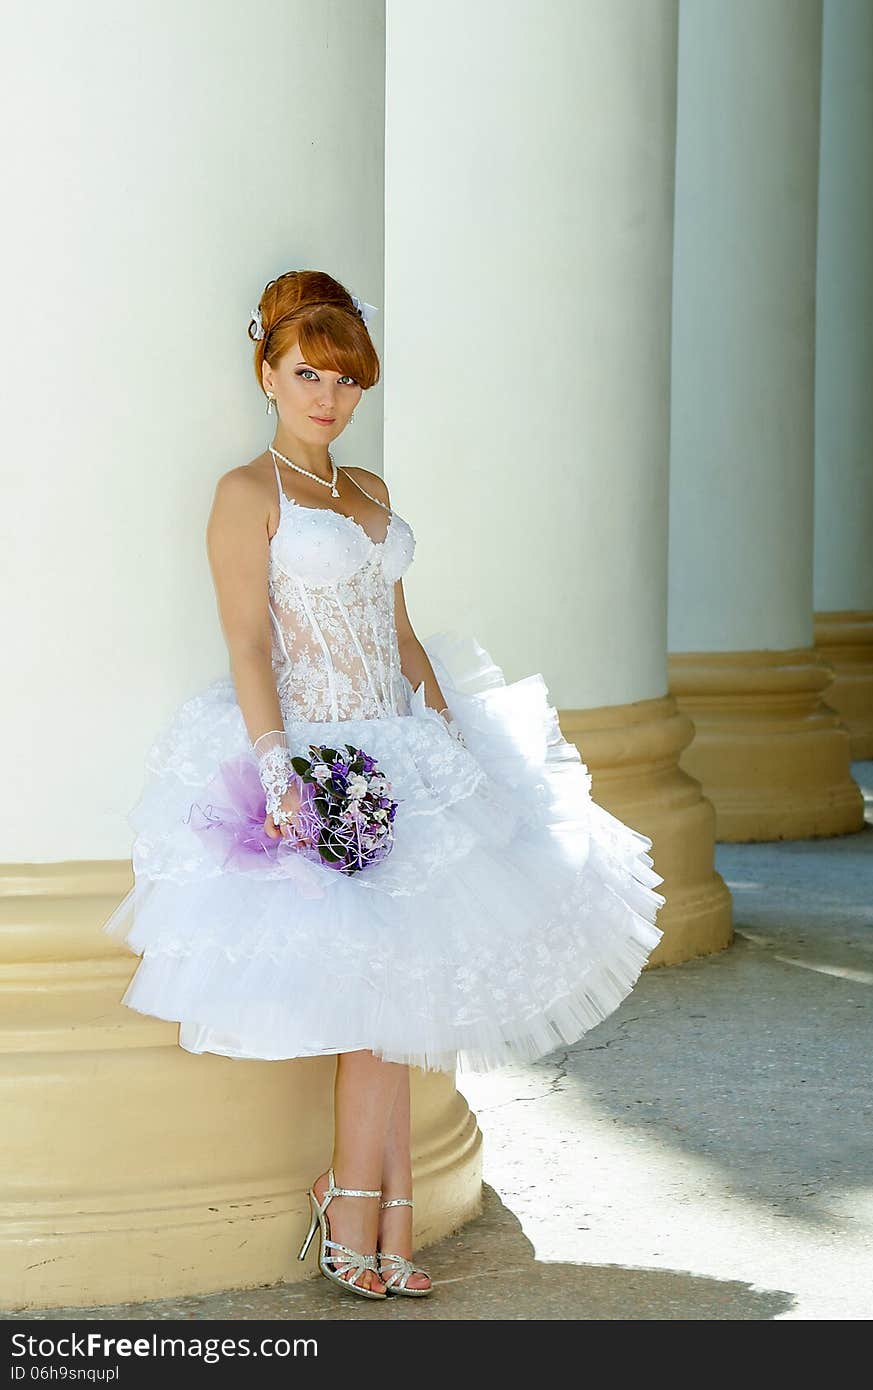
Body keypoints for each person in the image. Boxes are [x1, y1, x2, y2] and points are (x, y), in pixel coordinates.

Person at [102, 268, 665, 1302]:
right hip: (319, 754)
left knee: (408, 1005)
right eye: (308, 372)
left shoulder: (369, 493)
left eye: (347, 379)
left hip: (404, 748)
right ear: (267, 370)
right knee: (373, 1010)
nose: (329, 395)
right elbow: (247, 642)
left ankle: (383, 1224)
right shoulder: (247, 492)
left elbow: (402, 634)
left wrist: (452, 736)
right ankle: (352, 1217)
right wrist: (279, 767)